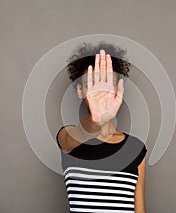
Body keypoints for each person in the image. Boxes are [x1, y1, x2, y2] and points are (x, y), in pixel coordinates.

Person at [56, 42, 148, 213]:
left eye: (107, 83)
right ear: (80, 91)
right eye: (92, 83)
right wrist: (97, 121)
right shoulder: (69, 138)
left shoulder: (136, 148)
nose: (100, 91)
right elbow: (73, 138)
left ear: (117, 89)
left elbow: (140, 210)